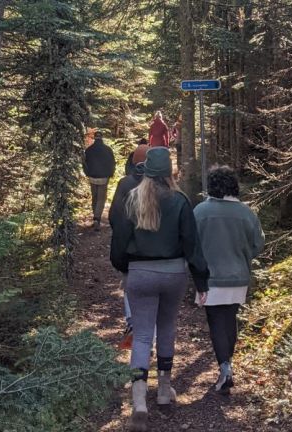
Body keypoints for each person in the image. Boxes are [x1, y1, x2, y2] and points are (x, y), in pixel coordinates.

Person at [110, 147, 209, 432]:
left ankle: (139, 401)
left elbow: (119, 240)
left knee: (142, 335)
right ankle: (164, 391)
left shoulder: (132, 198)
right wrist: (201, 280)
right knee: (166, 328)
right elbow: (191, 243)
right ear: (169, 172)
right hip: (173, 274)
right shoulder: (180, 200)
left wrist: (124, 267)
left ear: (144, 169)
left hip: (140, 274)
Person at [194, 165, 264, 395]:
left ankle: (225, 367)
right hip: (238, 276)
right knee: (230, 318)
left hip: (210, 278)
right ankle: (227, 364)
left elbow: (191, 244)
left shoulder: (200, 211)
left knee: (216, 321)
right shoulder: (246, 213)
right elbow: (258, 244)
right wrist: (243, 257)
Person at [109, 143, 149, 348]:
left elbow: (114, 216)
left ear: (134, 162)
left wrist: (119, 239)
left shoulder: (125, 183)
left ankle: (132, 322)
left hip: (130, 249)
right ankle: (148, 332)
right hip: (154, 251)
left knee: (128, 285)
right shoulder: (161, 184)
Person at [83, 131, 116, 231]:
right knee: (101, 199)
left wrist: (87, 173)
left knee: (95, 197)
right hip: (104, 178)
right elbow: (112, 163)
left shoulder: (88, 150)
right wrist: (111, 174)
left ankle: (95, 217)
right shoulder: (108, 150)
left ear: (94, 138)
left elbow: (84, 163)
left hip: (92, 177)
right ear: (102, 138)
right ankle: (97, 218)